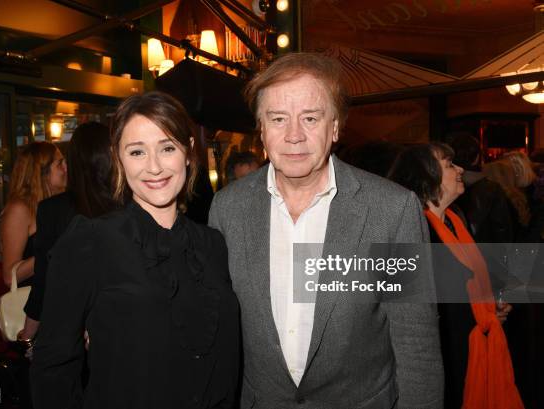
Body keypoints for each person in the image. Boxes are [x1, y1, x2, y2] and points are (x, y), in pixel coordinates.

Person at [208, 52, 443, 408]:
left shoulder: (392, 210)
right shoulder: (227, 208)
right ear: (261, 129)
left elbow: (416, 344)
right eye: (278, 119)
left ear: (335, 127)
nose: (294, 136)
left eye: (310, 118)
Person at [30, 91, 240, 409]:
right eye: (137, 152)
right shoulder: (90, 242)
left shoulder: (213, 245)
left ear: (188, 152)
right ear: (118, 157)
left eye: (167, 148)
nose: (154, 167)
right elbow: (53, 368)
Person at [388, 143, 522, 409]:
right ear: (425, 174)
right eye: (449, 164)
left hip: (470, 348)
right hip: (443, 359)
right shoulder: (414, 230)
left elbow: (465, 284)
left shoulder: (454, 219)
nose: (460, 168)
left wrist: (488, 308)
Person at [19, 122, 117, 342]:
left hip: (69, 328)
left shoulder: (52, 210)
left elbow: (43, 281)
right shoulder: (130, 206)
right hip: (120, 325)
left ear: (74, 162)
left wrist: (28, 335)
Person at [0, 141, 67, 288]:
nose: (66, 168)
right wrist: (55, 249)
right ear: (41, 172)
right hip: (34, 300)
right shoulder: (20, 209)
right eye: (60, 164)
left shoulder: (60, 203)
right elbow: (10, 277)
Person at [448, 133, 514, 243]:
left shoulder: (441, 185)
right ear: (477, 157)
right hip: (484, 255)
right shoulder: (491, 189)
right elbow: (502, 231)